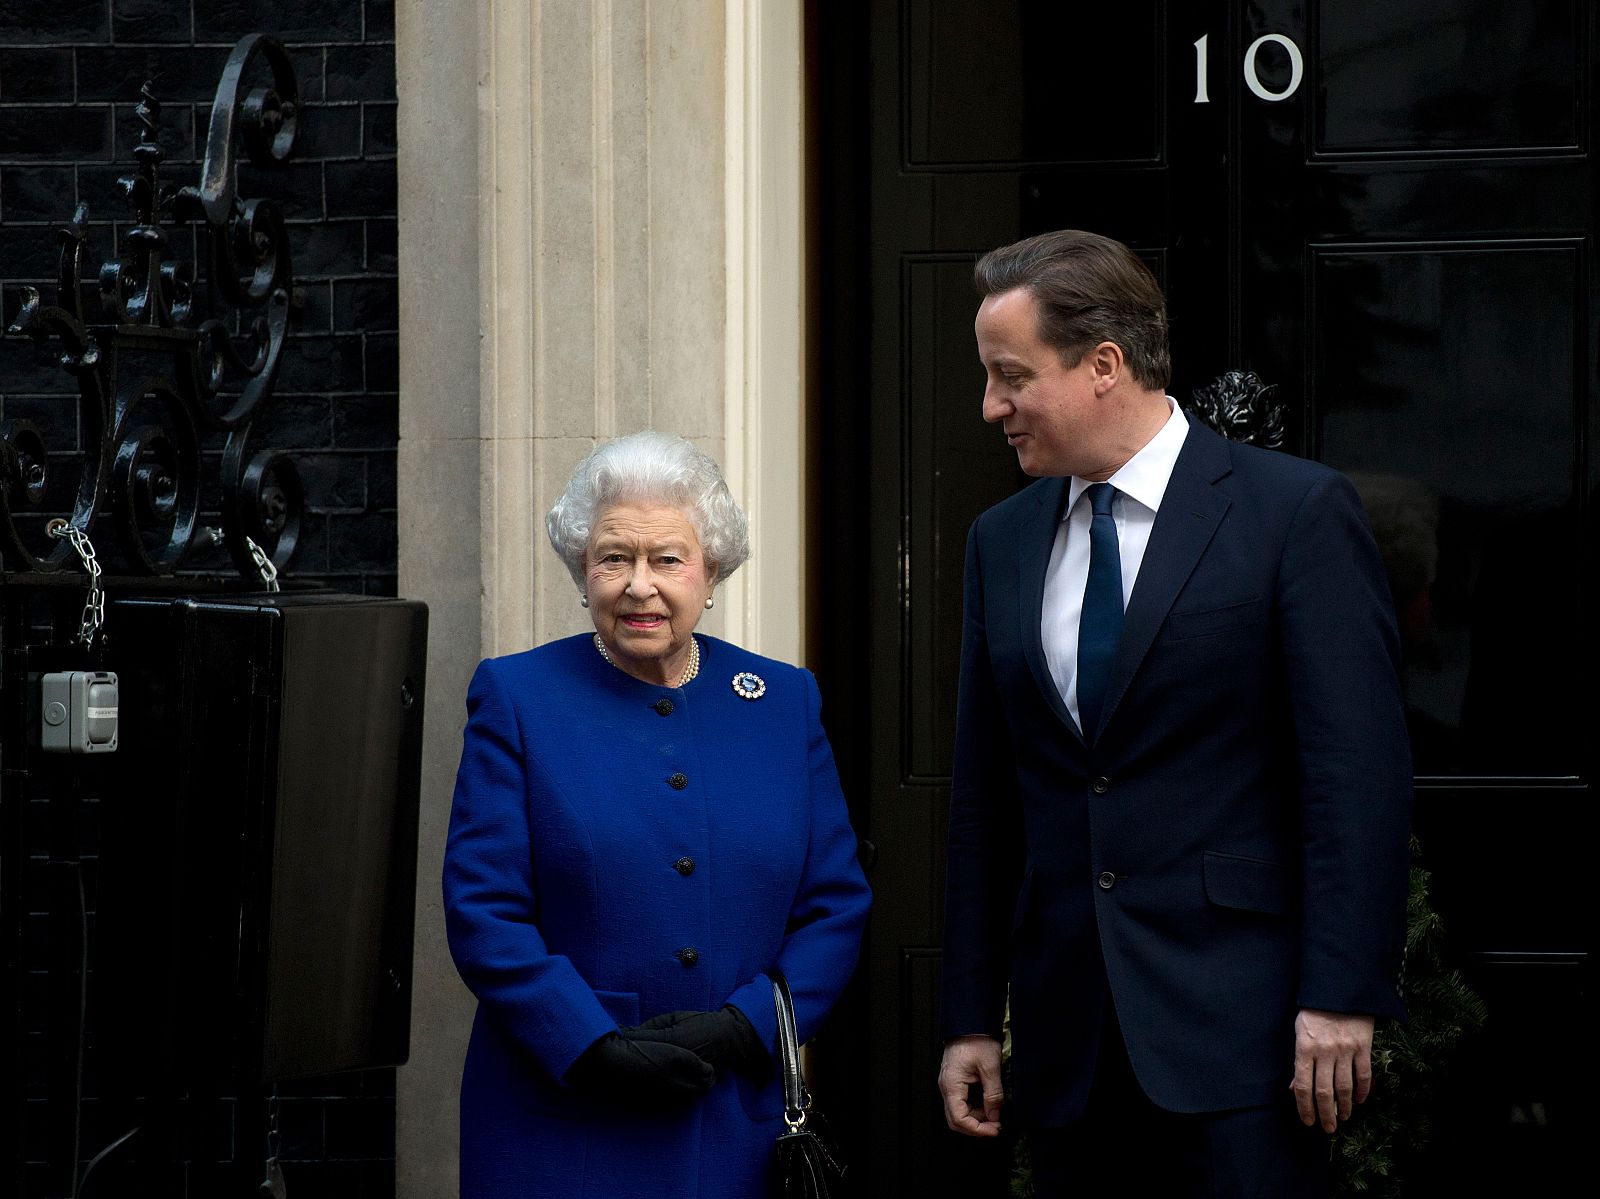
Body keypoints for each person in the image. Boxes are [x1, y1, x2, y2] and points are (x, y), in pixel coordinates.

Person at [936, 231, 1412, 1196]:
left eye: (1009, 375)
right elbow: (985, 798)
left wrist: (1340, 997)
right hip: (1071, 1043)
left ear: (1103, 365)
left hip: (1248, 1035)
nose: (991, 406)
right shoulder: (1002, 540)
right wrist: (971, 1015)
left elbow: (1352, 775)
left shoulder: (1294, 511)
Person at [445, 430, 871, 1198]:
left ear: (711, 573)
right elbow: (484, 910)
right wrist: (588, 1041)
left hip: (732, 1112)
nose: (640, 585)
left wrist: (746, 1027)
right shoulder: (518, 698)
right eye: (615, 557)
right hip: (561, 1111)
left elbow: (835, 905)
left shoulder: (782, 701)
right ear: (583, 570)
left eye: (667, 559)